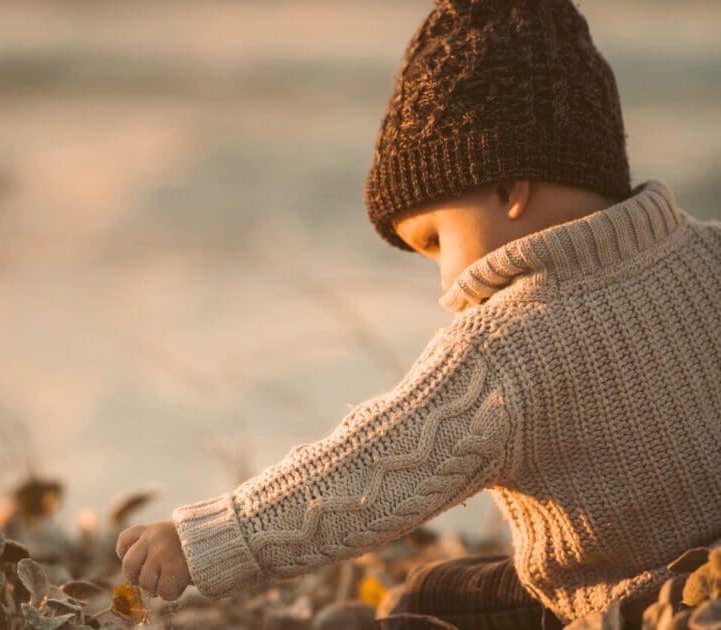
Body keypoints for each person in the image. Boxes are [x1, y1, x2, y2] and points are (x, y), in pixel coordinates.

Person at [115, 0, 721, 627]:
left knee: (422, 602)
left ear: (509, 189)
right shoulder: (714, 255)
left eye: (435, 240)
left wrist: (210, 538)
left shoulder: (510, 344)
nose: (445, 283)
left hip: (637, 608)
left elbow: (365, 470)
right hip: (705, 586)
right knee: (453, 582)